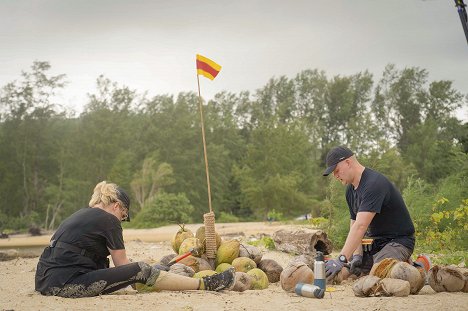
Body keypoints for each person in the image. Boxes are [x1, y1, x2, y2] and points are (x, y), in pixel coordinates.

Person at [35, 181, 235, 298]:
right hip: (65, 285)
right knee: (140, 269)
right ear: (117, 207)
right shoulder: (109, 220)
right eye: (124, 215)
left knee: (130, 268)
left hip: (45, 281)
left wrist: (152, 272)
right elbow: (125, 267)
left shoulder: (80, 215)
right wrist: (148, 274)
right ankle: (207, 284)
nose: (121, 220)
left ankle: (166, 274)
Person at [322, 146, 427, 281]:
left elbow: (361, 226)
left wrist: (341, 259)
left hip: (398, 241)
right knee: (345, 275)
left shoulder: (373, 184)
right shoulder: (350, 190)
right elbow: (354, 225)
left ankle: (420, 266)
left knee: (376, 276)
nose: (335, 176)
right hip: (374, 244)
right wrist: (357, 256)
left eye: (336, 171)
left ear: (348, 163)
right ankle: (395, 264)